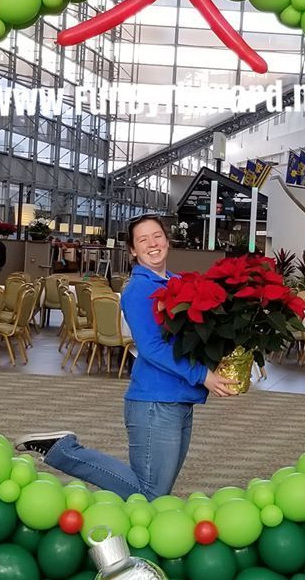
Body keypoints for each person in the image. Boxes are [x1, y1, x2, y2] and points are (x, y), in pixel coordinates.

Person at [14, 214, 238, 500]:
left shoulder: (178, 283)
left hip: (179, 400)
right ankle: (63, 451)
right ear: (133, 250)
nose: (152, 244)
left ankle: (63, 451)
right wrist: (202, 375)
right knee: (150, 495)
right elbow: (151, 348)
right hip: (154, 404)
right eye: (142, 240)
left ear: (167, 241)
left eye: (157, 236)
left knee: (155, 493)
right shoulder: (139, 289)